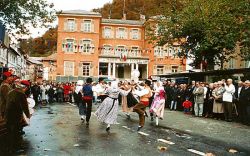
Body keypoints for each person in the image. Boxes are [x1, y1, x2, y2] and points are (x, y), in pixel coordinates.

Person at [5, 79, 30, 151]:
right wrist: (27, 116)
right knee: (16, 131)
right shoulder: (21, 94)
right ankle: (15, 147)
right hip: (16, 115)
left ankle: (9, 147)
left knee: (10, 131)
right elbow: (25, 106)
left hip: (8, 114)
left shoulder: (10, 92)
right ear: (25, 87)